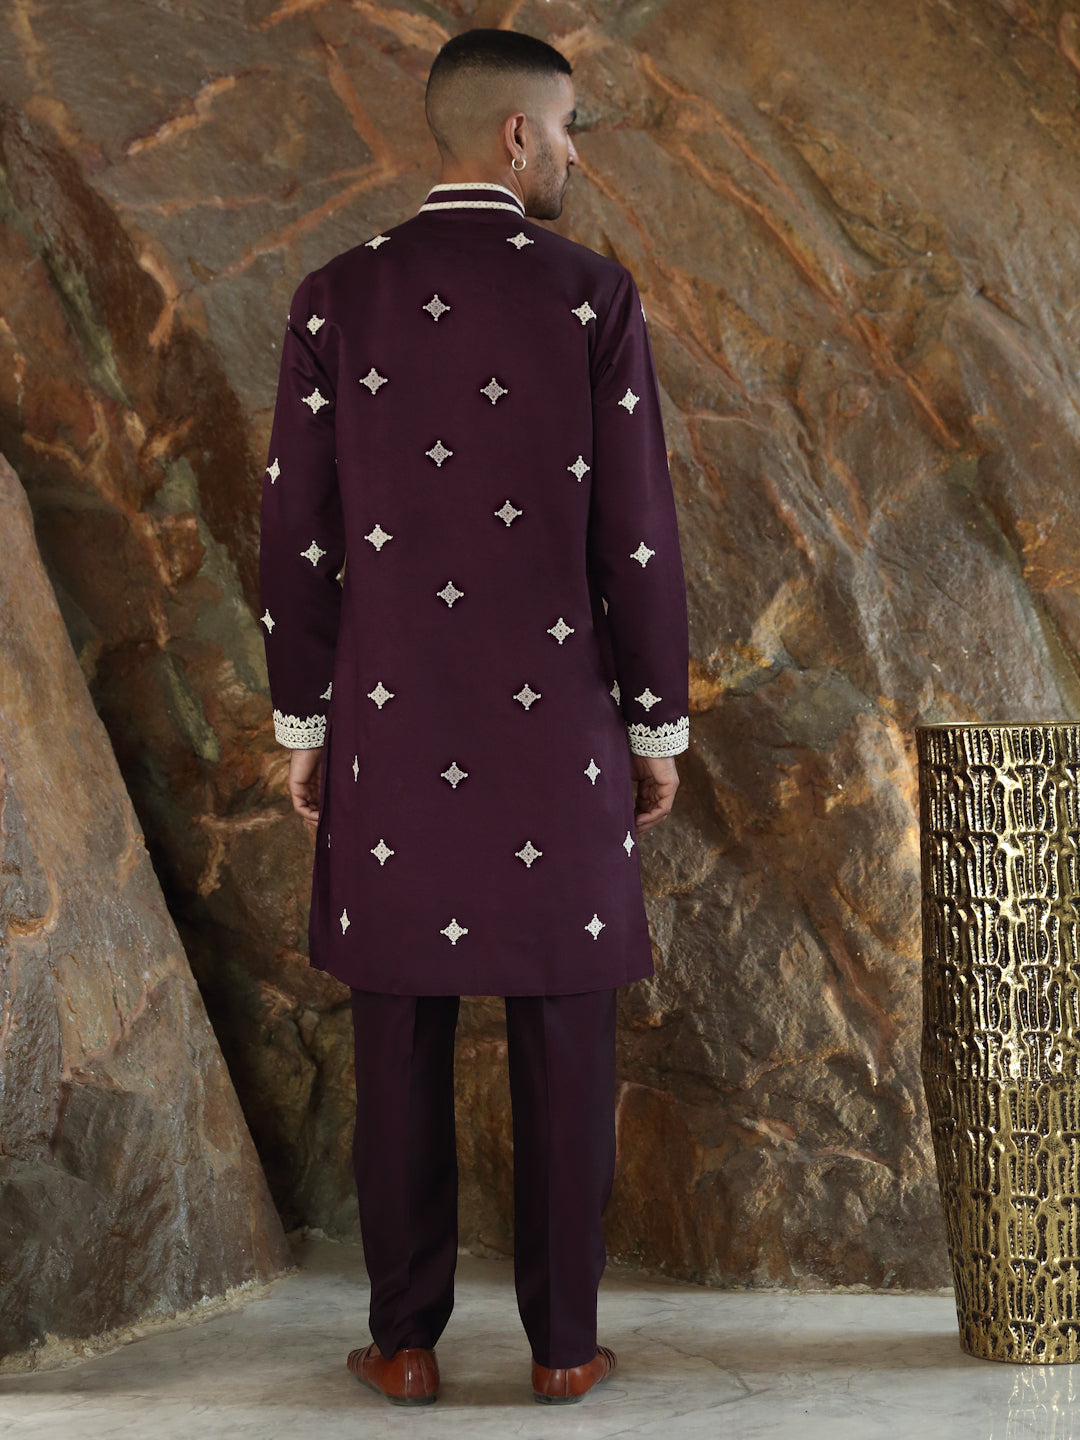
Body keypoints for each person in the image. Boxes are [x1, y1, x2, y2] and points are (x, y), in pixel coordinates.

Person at [258, 26, 690, 1408]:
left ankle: (403, 1345)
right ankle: (564, 1347)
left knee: (397, 1034)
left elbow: (297, 534)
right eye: (567, 130)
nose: (574, 155)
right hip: (559, 737)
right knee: (567, 1030)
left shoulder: (336, 298)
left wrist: (305, 724)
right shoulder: (591, 296)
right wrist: (655, 728)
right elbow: (638, 537)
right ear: (516, 135)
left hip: (391, 733)